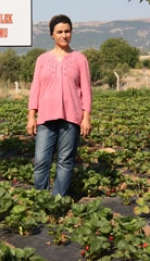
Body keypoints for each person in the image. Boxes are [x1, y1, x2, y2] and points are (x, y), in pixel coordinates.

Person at [26, 14, 92, 197]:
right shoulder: (42, 60)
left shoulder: (80, 59)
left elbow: (86, 90)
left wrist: (86, 117)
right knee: (40, 160)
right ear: (52, 35)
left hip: (71, 118)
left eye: (67, 31)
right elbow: (36, 89)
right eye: (60, 32)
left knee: (65, 161)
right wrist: (31, 116)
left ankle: (57, 201)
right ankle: (40, 199)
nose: (64, 35)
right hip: (46, 118)